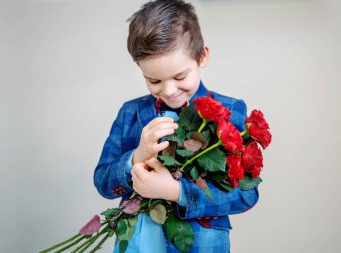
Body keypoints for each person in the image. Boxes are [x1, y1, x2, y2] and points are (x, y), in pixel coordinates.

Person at [93, 0, 259, 252]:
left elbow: (246, 195)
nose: (169, 90)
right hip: (137, 242)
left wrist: (176, 191)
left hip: (200, 245)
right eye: (154, 80)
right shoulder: (130, 113)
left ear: (202, 56)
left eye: (180, 77)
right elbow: (103, 182)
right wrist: (136, 157)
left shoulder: (231, 111)